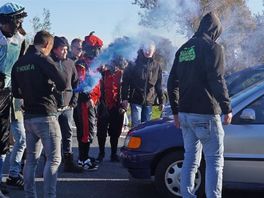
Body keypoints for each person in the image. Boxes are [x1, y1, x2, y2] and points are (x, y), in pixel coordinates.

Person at [167, 12, 233, 198]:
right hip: (206, 114)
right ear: (215, 30)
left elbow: (172, 83)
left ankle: (187, 195)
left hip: (186, 115)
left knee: (190, 159)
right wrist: (227, 108)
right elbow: (217, 80)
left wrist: (176, 112)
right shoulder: (213, 48)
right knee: (214, 161)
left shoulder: (183, 49)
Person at [11, 30, 68, 198]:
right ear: (47, 45)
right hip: (46, 116)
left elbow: (16, 93)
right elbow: (64, 83)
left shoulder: (19, 63)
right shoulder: (43, 59)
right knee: (54, 159)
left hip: (28, 118)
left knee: (31, 161)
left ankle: (30, 195)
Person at [0, 2, 27, 195]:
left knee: (21, 138)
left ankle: (14, 173)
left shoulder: (21, 39)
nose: (20, 23)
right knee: (0, 140)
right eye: (18, 19)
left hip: (14, 94)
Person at [50, 36, 82, 173]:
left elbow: (76, 83)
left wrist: (74, 100)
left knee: (67, 134)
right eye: (62, 49)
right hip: (53, 108)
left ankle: (68, 161)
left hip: (67, 107)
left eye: (66, 49)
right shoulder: (49, 62)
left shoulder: (70, 63)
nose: (65, 51)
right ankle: (50, 164)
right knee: (52, 136)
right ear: (55, 49)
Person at [74, 32, 102, 170]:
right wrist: (89, 98)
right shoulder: (82, 64)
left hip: (93, 102)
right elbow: (81, 83)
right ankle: (83, 159)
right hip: (85, 103)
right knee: (86, 130)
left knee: (89, 130)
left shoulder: (93, 63)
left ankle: (84, 157)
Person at [121, 42, 164, 128]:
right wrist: (124, 98)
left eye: (150, 49)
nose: (147, 51)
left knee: (146, 127)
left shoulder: (157, 66)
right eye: (146, 49)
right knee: (136, 126)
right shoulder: (133, 63)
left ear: (154, 50)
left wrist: (161, 101)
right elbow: (125, 82)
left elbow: (158, 85)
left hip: (149, 101)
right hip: (136, 100)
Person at [97, 55, 128, 163]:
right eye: (112, 63)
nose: (114, 66)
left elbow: (126, 89)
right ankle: (101, 153)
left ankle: (113, 154)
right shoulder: (103, 74)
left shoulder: (122, 74)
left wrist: (124, 105)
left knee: (115, 132)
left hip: (117, 107)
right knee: (101, 131)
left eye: (116, 64)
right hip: (104, 106)